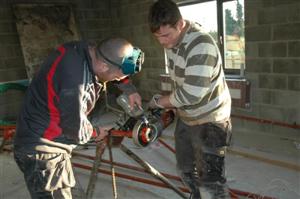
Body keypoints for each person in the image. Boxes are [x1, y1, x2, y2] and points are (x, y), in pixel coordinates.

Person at [13, 38, 144, 199]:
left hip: (46, 134)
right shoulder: (76, 85)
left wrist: (129, 89)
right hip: (43, 150)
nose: (117, 79)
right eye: (116, 77)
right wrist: (96, 132)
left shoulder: (86, 49)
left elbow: (113, 60)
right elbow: (74, 128)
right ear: (103, 66)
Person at [148, 0, 232, 198]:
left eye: (166, 35)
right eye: (157, 37)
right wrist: (173, 105)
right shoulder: (172, 42)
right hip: (187, 116)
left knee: (211, 182)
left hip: (211, 119)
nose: (162, 42)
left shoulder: (200, 45)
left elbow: (192, 93)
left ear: (180, 24)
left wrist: (159, 102)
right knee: (185, 170)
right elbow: (178, 81)